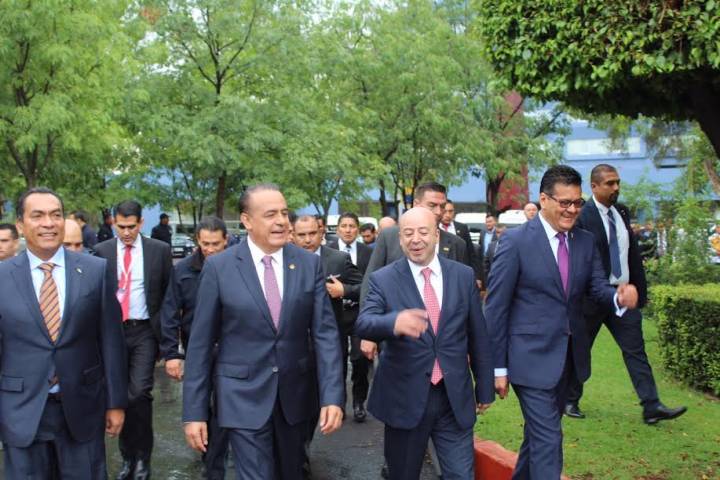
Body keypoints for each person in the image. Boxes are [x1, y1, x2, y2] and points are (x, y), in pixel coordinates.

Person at [484, 165, 639, 480]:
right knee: (548, 440)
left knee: (539, 437)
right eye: (565, 202)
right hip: (528, 360)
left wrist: (618, 297)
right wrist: (497, 368)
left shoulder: (585, 241)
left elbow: (597, 287)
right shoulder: (515, 242)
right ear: (544, 199)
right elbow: (496, 308)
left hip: (568, 359)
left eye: (577, 203)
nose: (572, 210)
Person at [182, 184, 344, 480]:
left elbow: (326, 335)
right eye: (270, 215)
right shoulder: (220, 267)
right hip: (241, 397)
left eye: (284, 213)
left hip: (294, 398)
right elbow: (200, 344)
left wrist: (332, 396)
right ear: (247, 220)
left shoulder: (308, 264)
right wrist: (194, 412)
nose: (281, 221)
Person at [356, 207, 494, 480]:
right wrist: (393, 322)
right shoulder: (383, 279)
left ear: (437, 235)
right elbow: (364, 323)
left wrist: (485, 386)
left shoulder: (463, 275)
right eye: (408, 233)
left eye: (423, 232)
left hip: (453, 396)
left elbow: (477, 333)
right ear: (400, 239)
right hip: (404, 398)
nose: (415, 239)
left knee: (461, 475)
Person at [0, 187, 127, 479]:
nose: (48, 223)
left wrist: (116, 403)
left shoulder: (95, 270)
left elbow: (111, 341)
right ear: (20, 225)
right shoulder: (3, 277)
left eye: (55, 215)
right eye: (38, 216)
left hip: (82, 408)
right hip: (21, 410)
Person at [565, 164, 687, 424]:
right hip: (592, 297)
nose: (616, 187)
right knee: (581, 348)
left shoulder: (621, 212)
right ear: (594, 186)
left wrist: (639, 293)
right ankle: (569, 399)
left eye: (618, 182)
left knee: (636, 351)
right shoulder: (583, 216)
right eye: (610, 183)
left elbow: (631, 255)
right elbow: (578, 258)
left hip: (624, 296)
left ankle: (651, 406)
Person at [94, 200, 173, 480]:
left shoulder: (159, 250)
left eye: (131, 226)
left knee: (138, 393)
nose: (126, 233)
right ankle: (128, 458)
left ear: (141, 223)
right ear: (113, 223)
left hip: (144, 330)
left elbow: (168, 294)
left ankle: (142, 459)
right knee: (120, 395)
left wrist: (167, 340)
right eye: (121, 227)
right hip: (113, 332)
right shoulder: (101, 251)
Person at [160, 216, 229, 479]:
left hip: (231, 348)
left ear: (226, 241)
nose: (210, 249)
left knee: (224, 406)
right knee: (202, 407)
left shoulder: (236, 266)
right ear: (197, 241)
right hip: (197, 350)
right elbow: (170, 313)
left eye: (215, 244)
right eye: (205, 244)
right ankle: (210, 460)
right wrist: (172, 354)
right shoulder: (183, 270)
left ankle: (217, 462)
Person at [327, 212, 374, 422]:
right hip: (334, 315)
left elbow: (371, 285)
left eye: (352, 226)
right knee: (336, 360)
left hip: (358, 313)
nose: (348, 230)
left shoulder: (368, 252)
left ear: (358, 229)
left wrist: (345, 290)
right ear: (337, 229)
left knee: (360, 359)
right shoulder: (327, 251)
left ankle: (359, 402)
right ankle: (338, 403)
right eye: (344, 226)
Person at [440, 199, 481, 285]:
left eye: (450, 211)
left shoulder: (462, 228)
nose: (448, 215)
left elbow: (471, 253)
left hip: (460, 274)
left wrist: (477, 276)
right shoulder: (434, 228)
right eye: (445, 211)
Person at [477, 213, 497, 290]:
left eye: (490, 221)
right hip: (483, 262)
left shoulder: (498, 233)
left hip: (493, 261)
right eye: (487, 222)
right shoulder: (483, 232)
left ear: (495, 222)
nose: (488, 224)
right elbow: (480, 246)